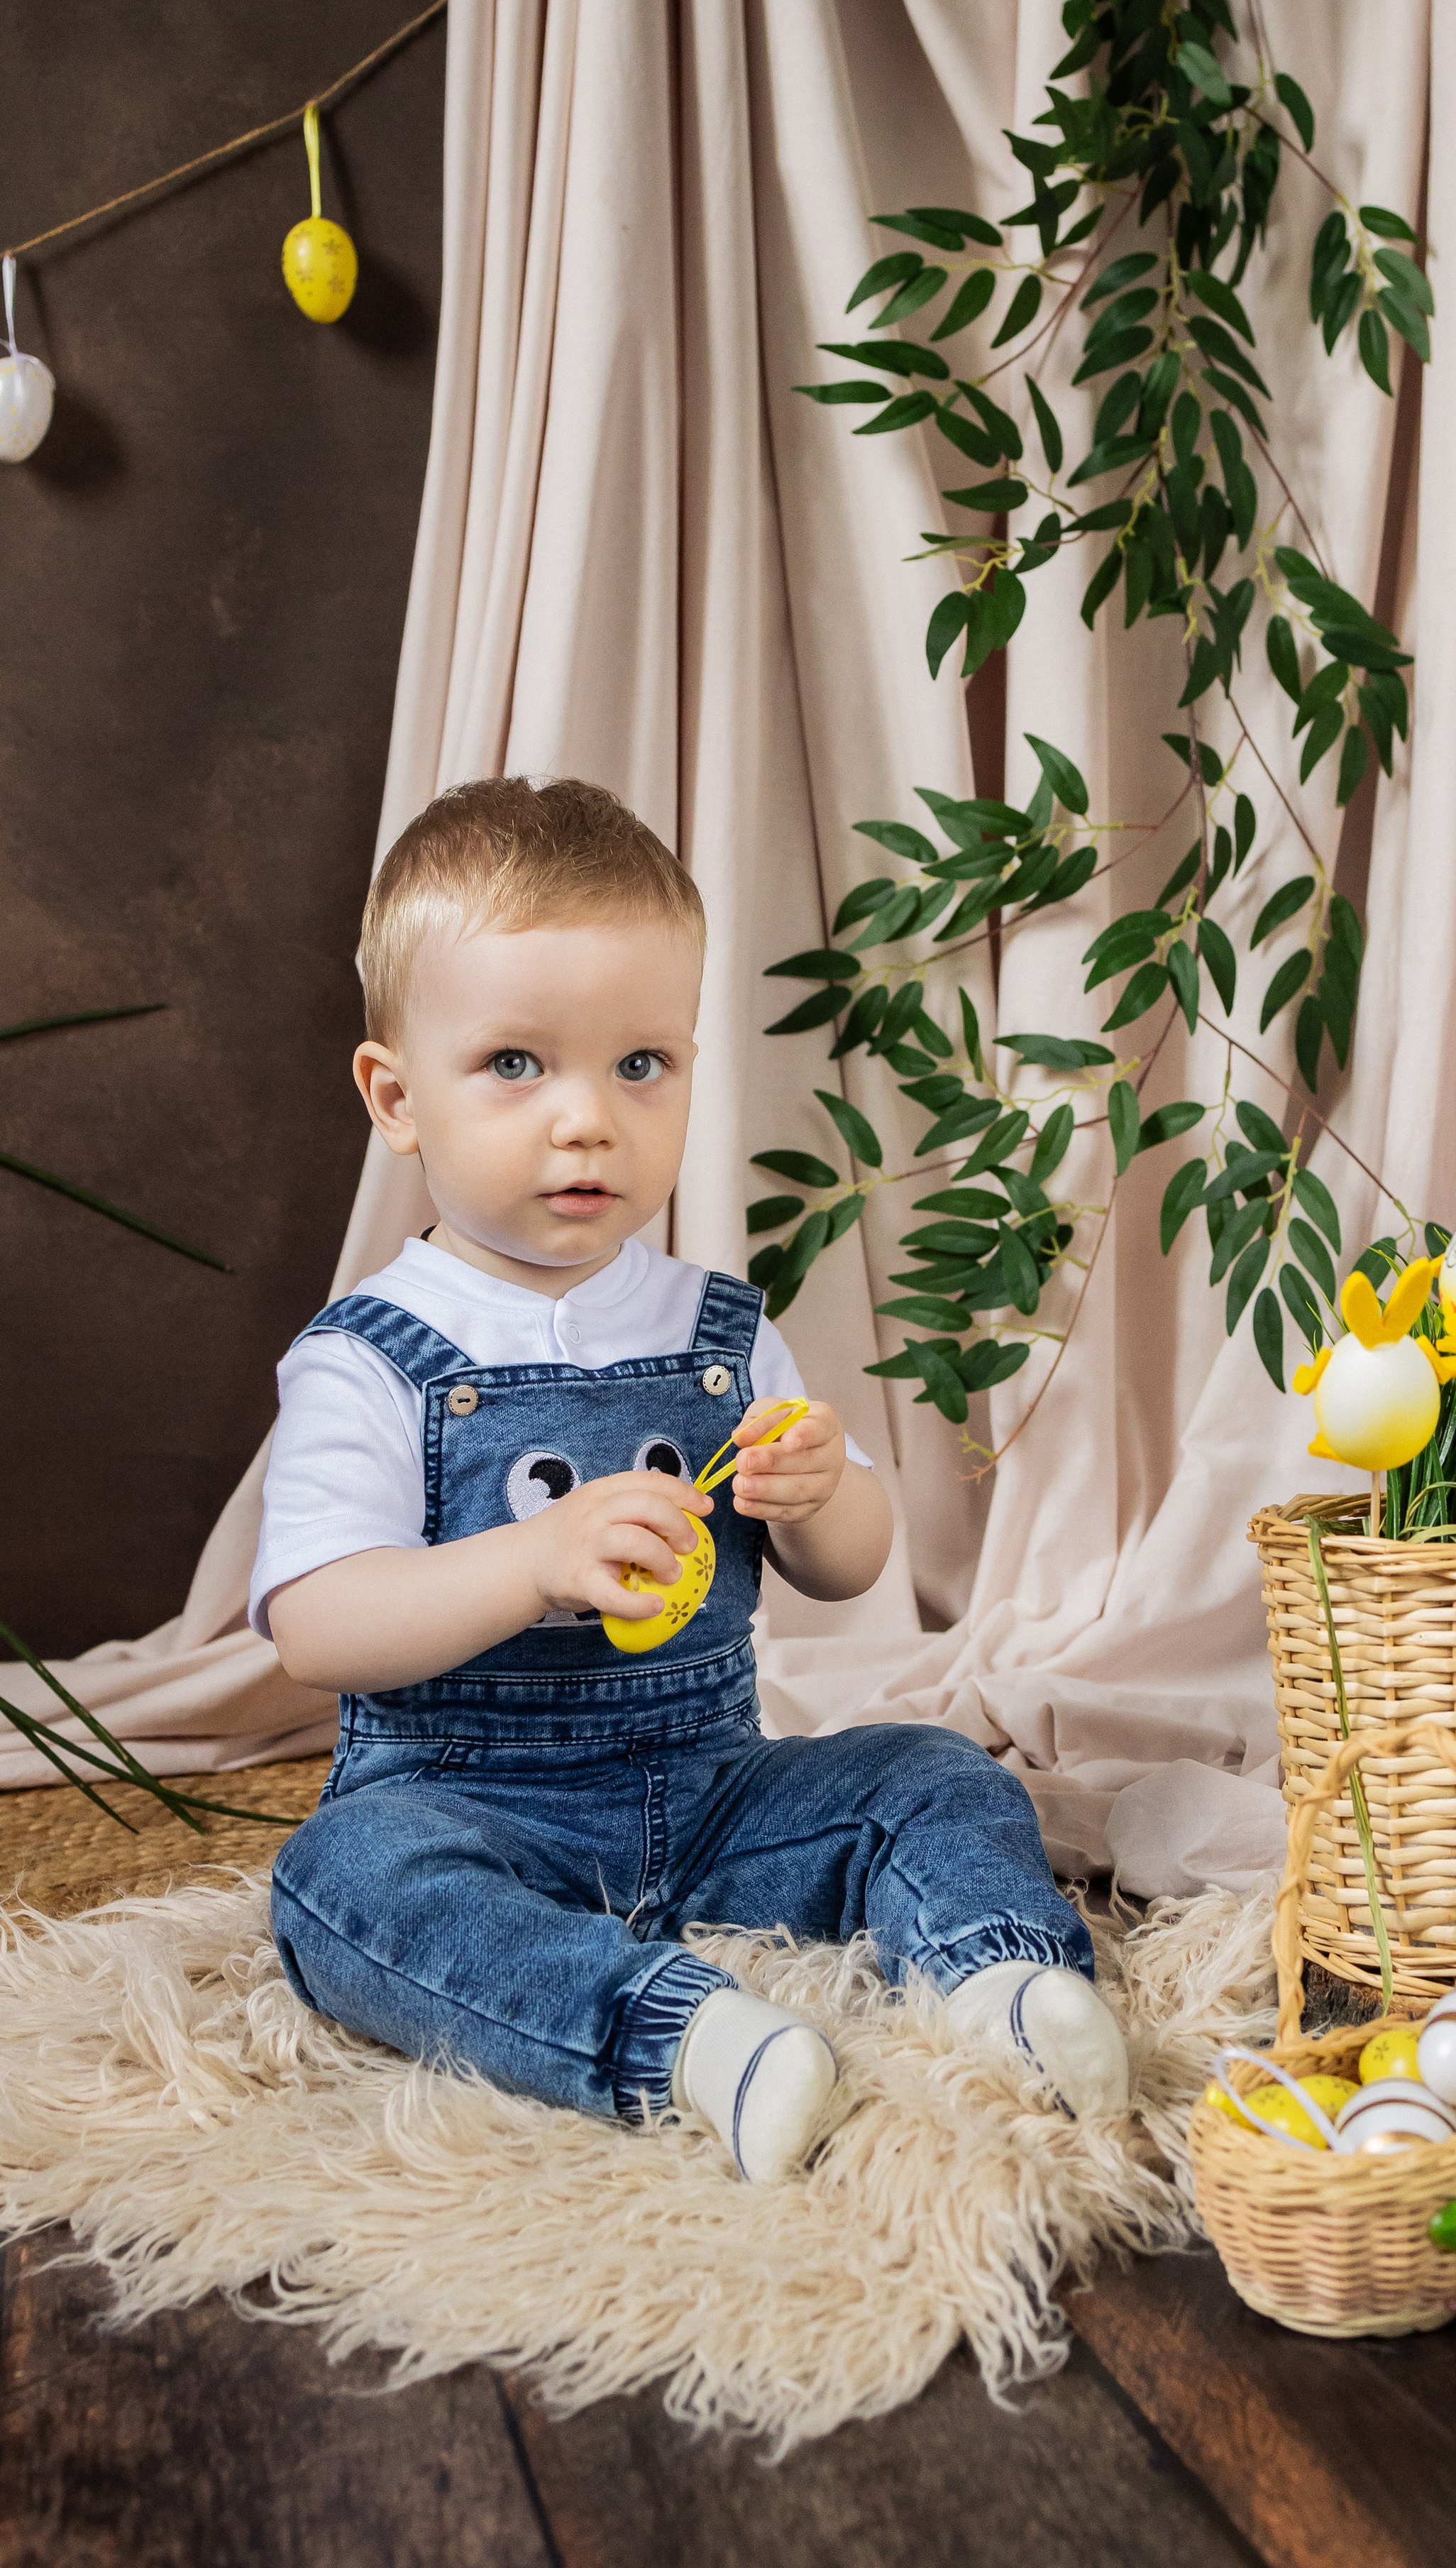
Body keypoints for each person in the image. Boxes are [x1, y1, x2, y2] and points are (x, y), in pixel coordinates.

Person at [255, 776, 1128, 2180]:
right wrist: (531, 1562)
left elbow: (848, 1570)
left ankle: (1004, 1984)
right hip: (464, 1800)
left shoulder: (720, 1330)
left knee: (931, 1774)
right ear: (396, 1097)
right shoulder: (371, 1356)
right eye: (517, 1066)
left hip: (713, 1791)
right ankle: (685, 2041)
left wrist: (823, 1487)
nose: (587, 1121)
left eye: (639, 1065)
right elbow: (317, 1625)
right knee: (341, 1890)